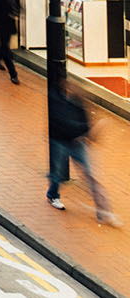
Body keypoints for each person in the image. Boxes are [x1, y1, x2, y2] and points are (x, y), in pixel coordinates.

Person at [49, 84, 120, 223]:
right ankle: (53, 195)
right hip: (61, 142)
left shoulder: (80, 105)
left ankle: (103, 212)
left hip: (77, 143)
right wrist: (85, 131)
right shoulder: (61, 104)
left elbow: (86, 126)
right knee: (57, 172)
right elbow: (67, 125)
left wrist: (92, 131)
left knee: (91, 175)